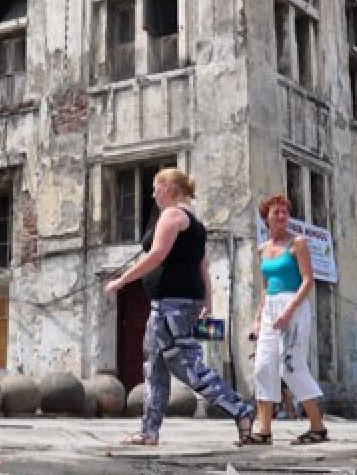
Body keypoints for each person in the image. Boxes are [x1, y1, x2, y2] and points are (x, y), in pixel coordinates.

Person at [104, 167, 255, 445]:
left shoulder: (172, 215)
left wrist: (121, 281)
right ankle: (149, 432)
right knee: (154, 369)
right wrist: (208, 301)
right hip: (168, 304)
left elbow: (157, 255)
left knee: (187, 365)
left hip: (172, 305)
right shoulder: (195, 221)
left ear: (169, 189)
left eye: (154, 188)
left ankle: (241, 409)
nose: (152, 194)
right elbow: (203, 265)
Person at [242, 193, 329, 445]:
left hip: (294, 306)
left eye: (284, 212)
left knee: (291, 367)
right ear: (266, 219)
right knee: (262, 367)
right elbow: (265, 286)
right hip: (270, 307)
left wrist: (289, 311)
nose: (281, 216)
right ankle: (264, 430)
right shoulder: (263, 249)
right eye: (275, 213)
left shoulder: (297, 243)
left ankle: (317, 426)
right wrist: (258, 319)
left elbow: (308, 280)